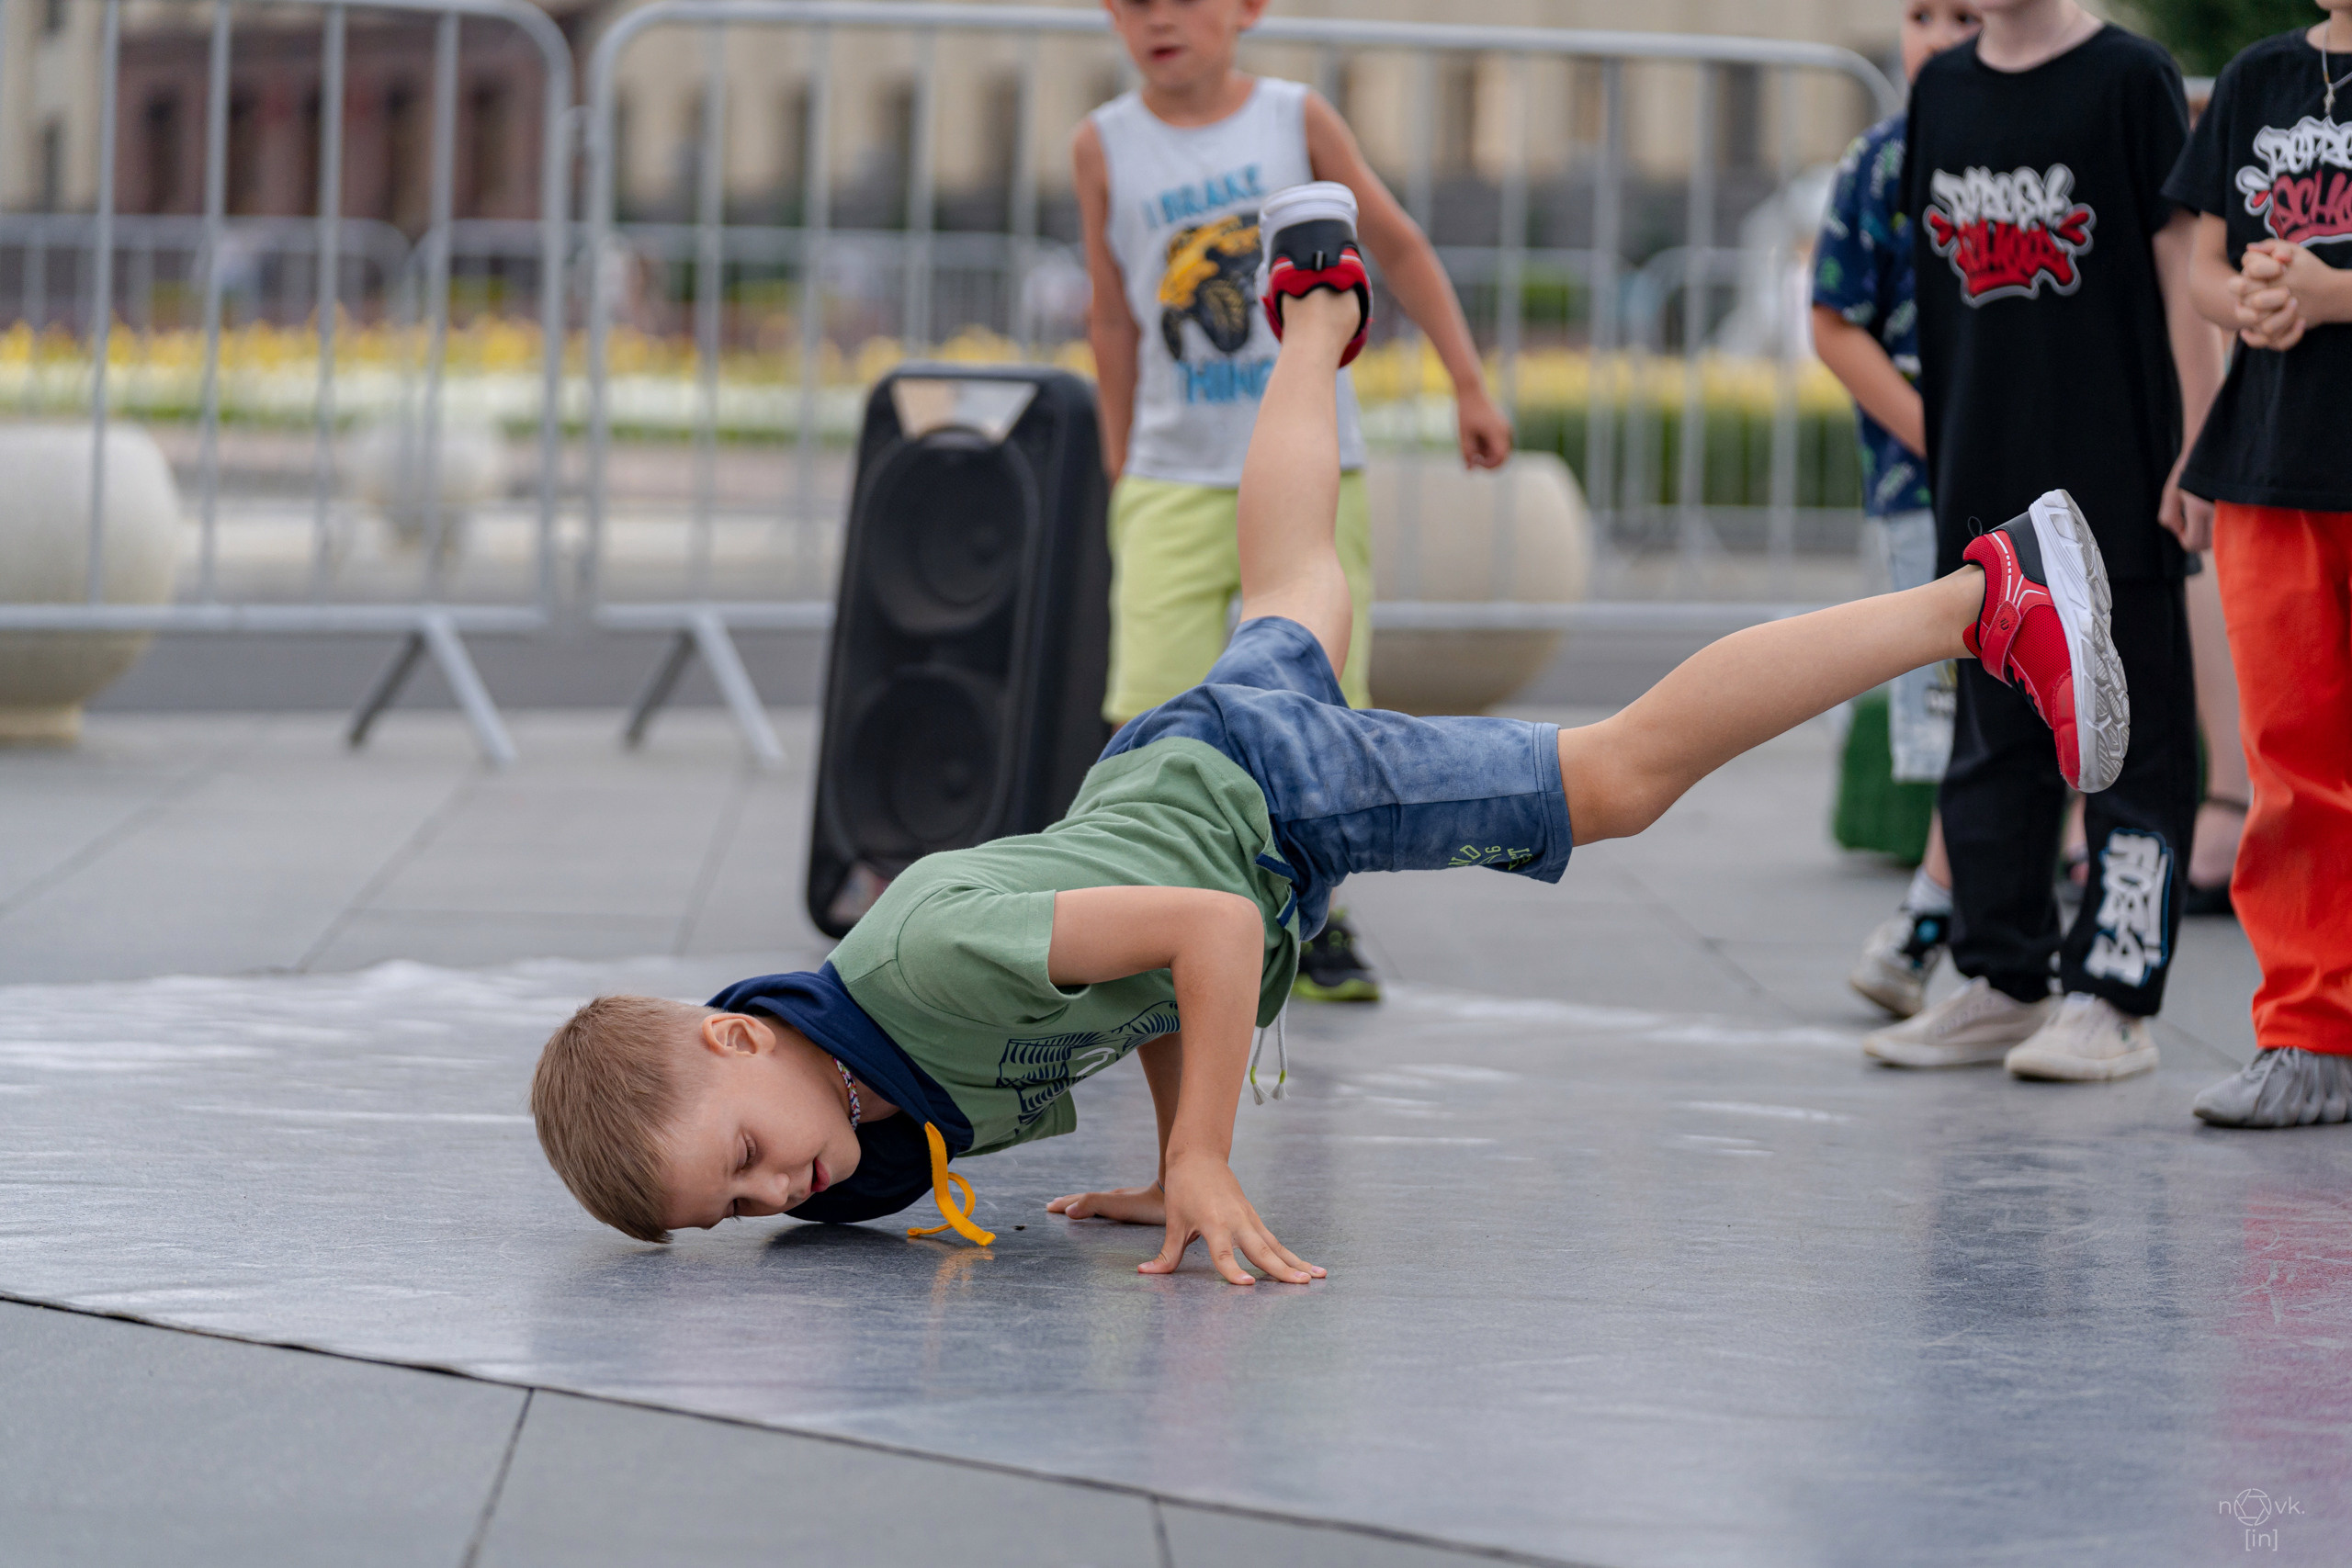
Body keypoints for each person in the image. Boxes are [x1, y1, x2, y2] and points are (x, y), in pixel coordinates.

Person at [532, 186, 2132, 1280]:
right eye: (735, 1210)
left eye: (745, 1156)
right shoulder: (872, 1090)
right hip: (1188, 774)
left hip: (1263, 808)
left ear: (737, 1037)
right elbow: (1138, 979)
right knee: (1296, 581)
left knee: (1620, 777)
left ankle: (1980, 597)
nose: (777, 1192)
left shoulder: (918, 964)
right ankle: (1309, 304)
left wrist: (1209, 1155)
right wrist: (1170, 1157)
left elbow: (1212, 932)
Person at [1072, 0, 1512, 1005]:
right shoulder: (1101, 144)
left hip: (1311, 465)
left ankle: (1314, 919)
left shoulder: (1293, 116)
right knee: (1147, 699)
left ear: (1247, 10)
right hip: (1172, 475)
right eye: (1135, 2)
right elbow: (1111, 312)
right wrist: (1120, 459)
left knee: (1317, 696)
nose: (1160, 20)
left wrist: (1468, 383)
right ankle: (1150, 912)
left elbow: (1398, 245)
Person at [1861, 0, 2223, 1082]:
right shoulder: (1941, 89)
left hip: (2116, 472)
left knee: (2133, 742)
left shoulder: (2130, 78)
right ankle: (2003, 977)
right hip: (1982, 475)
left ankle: (2113, 993)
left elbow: (2180, 270)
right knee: (1990, 738)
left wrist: (2196, 445)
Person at [2164, 0, 2352, 1127]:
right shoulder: (2255, 78)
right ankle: (2306, 1037)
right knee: (2288, 767)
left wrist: (2333, 294)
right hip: (2268, 467)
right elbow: (2200, 264)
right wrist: (2248, 298)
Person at [1813, 0, 1983, 1020]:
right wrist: (1939, 435)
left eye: (1967, 13)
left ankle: (1946, 906)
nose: (1940, 33)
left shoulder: (2054, 143)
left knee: (2040, 694)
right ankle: (1938, 907)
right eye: (1922, 12)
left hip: (2051, 478)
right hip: (1925, 489)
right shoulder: (1881, 162)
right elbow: (1835, 323)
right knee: (1956, 708)